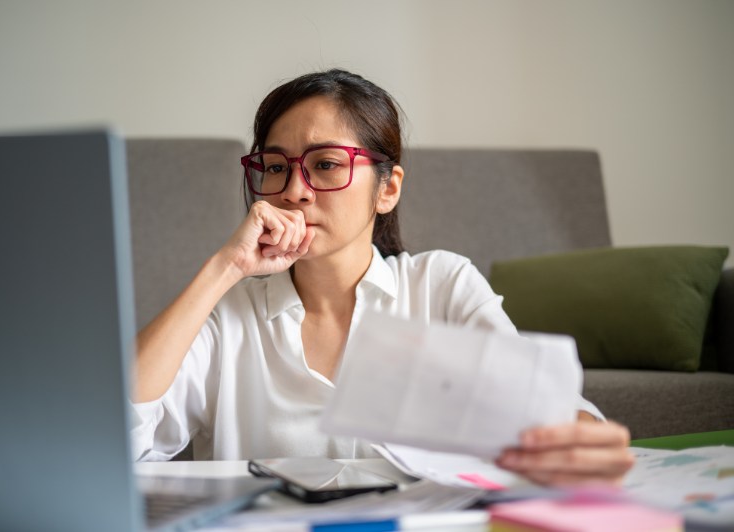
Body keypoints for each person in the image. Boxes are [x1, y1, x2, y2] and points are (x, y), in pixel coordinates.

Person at [130, 69, 634, 486]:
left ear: (387, 188)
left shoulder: (441, 285)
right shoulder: (229, 316)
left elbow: (545, 412)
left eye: (326, 164)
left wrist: (578, 437)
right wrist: (225, 268)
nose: (295, 190)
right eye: (275, 167)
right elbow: (119, 439)